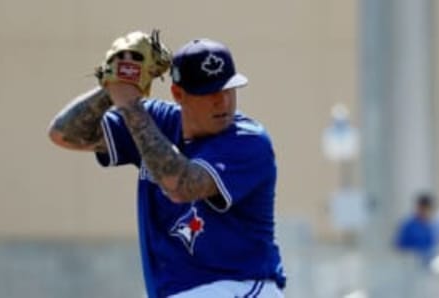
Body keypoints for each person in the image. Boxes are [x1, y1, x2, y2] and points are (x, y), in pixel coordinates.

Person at [48, 31, 286, 298]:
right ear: (178, 93)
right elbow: (64, 133)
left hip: (239, 285)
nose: (223, 101)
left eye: (228, 88)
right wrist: (114, 84)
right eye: (209, 92)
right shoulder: (157, 120)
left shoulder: (248, 140)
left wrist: (128, 104)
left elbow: (179, 185)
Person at [394, 192, 437, 266]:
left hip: (427, 264)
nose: (426, 212)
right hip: (410, 264)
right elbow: (399, 247)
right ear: (419, 207)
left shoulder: (429, 227)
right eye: (423, 208)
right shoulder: (409, 226)